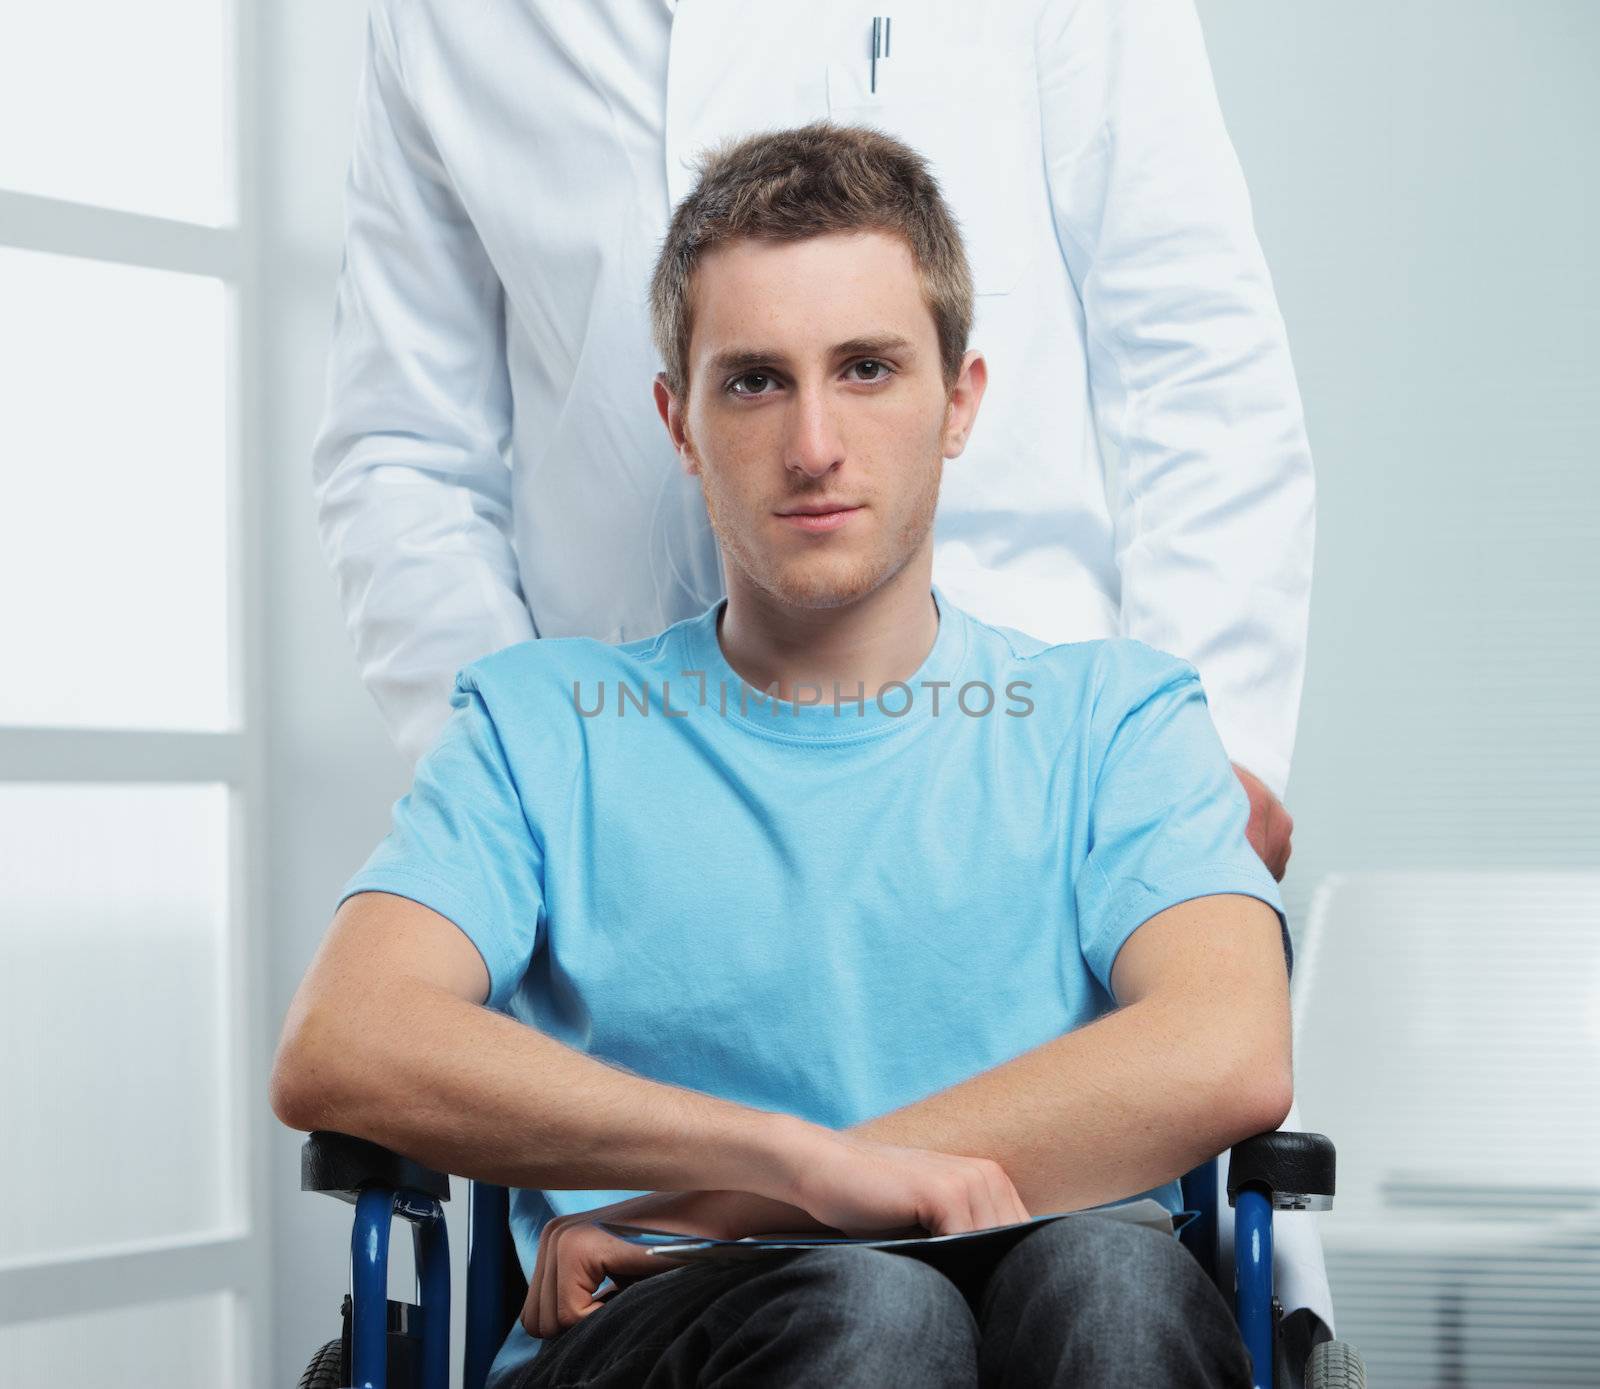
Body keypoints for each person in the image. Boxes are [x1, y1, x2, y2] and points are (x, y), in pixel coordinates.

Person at [276, 121, 1297, 1388]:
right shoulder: (543, 728)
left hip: (863, 1261)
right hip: (659, 1326)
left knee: (1119, 1278)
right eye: (755, 380)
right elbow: (342, 1039)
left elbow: (1230, 1048)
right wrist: (789, 1160)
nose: (813, 444)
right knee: (880, 1314)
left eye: (866, 368)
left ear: (960, 400)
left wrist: (740, 1201)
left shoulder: (1116, 718)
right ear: (680, 421)